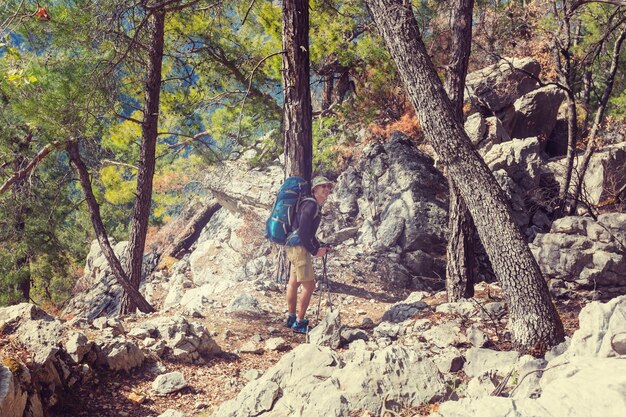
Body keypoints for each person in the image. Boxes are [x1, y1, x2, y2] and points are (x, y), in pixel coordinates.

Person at [284, 176, 333, 333]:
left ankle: (291, 318)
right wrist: (314, 251)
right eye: (322, 186)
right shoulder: (311, 205)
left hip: (294, 246)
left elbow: (308, 232)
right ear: (315, 189)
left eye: (328, 187)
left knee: (294, 282)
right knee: (309, 285)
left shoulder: (312, 205)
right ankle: (299, 323)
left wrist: (320, 245)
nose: (326, 189)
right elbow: (304, 231)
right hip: (299, 248)